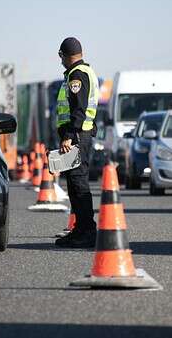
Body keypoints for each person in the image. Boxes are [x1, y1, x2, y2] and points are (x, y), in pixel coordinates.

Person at [54, 37, 99, 248]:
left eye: (60, 56)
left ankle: (87, 231)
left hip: (77, 137)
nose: (60, 60)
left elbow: (79, 111)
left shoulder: (77, 75)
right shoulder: (84, 72)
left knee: (79, 184)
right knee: (73, 184)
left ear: (64, 55)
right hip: (81, 136)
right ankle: (80, 229)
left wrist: (69, 136)